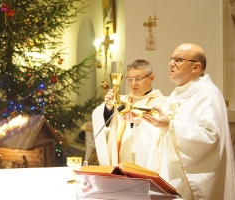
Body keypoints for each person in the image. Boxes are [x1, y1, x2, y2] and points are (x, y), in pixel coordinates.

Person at [141, 43, 235, 200]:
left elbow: (210, 136)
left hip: (185, 181)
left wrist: (171, 126)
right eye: (172, 59)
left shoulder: (207, 94)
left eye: (178, 59)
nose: (171, 63)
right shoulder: (178, 92)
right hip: (165, 175)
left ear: (196, 67)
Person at [91, 59, 167, 166]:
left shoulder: (162, 103)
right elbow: (104, 120)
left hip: (144, 164)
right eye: (129, 79)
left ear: (151, 78)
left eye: (138, 79)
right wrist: (108, 107)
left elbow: (161, 133)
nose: (133, 83)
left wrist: (138, 122)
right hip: (119, 161)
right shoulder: (122, 100)